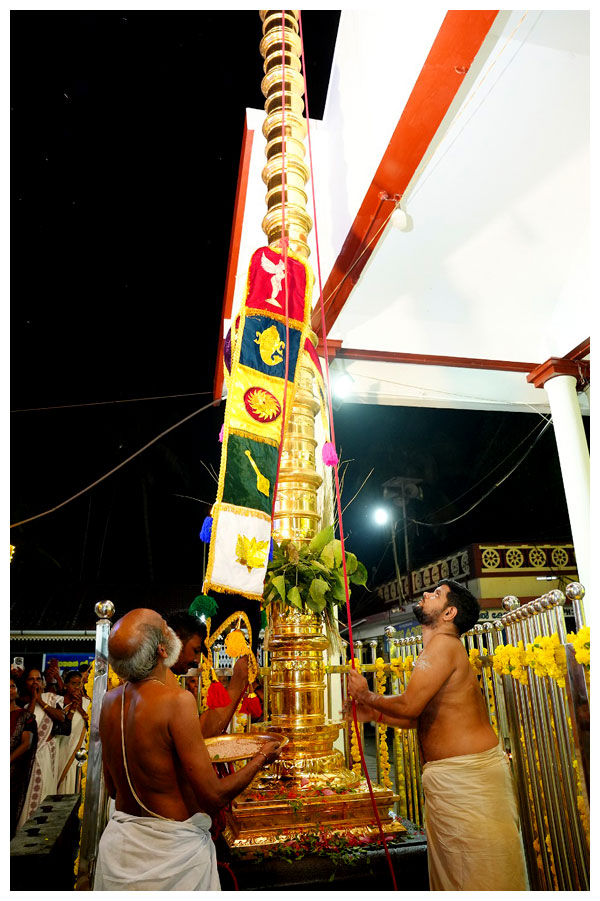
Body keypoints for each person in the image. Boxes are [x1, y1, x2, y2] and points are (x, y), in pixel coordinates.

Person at [347, 579, 529, 891]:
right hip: (456, 782)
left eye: (437, 594)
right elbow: (422, 718)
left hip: (469, 780)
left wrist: (367, 696)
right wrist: (375, 713)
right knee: (461, 874)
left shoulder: (444, 646)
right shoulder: (437, 648)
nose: (427, 595)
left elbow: (409, 704)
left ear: (449, 613)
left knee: (480, 876)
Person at [94, 608, 282, 891]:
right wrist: (262, 757)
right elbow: (214, 796)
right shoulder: (176, 701)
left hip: (120, 849)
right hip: (173, 858)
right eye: (165, 629)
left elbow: (112, 789)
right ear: (161, 648)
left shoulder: (109, 702)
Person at [166, 609, 250, 738]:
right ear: (177, 639)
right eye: (195, 650)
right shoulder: (160, 679)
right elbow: (196, 736)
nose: (196, 659)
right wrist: (236, 685)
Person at [15, 667, 70, 829]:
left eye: (38, 679)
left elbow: (61, 718)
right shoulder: (24, 707)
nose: (35, 682)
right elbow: (27, 722)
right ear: (25, 683)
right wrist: (33, 700)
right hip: (30, 759)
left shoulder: (52, 698)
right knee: (27, 798)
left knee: (45, 793)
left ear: (43, 682)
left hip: (47, 754)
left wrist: (40, 700)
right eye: (31, 679)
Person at [10, 676, 38, 837]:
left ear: (18, 692)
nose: (9, 690)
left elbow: (26, 743)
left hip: (12, 771)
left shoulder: (25, 716)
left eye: (12, 686)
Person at [55, 670, 91, 793]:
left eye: (79, 683)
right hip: (61, 748)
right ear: (65, 685)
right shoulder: (58, 702)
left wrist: (80, 708)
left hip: (79, 752)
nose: (76, 687)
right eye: (73, 683)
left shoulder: (88, 703)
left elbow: (92, 725)